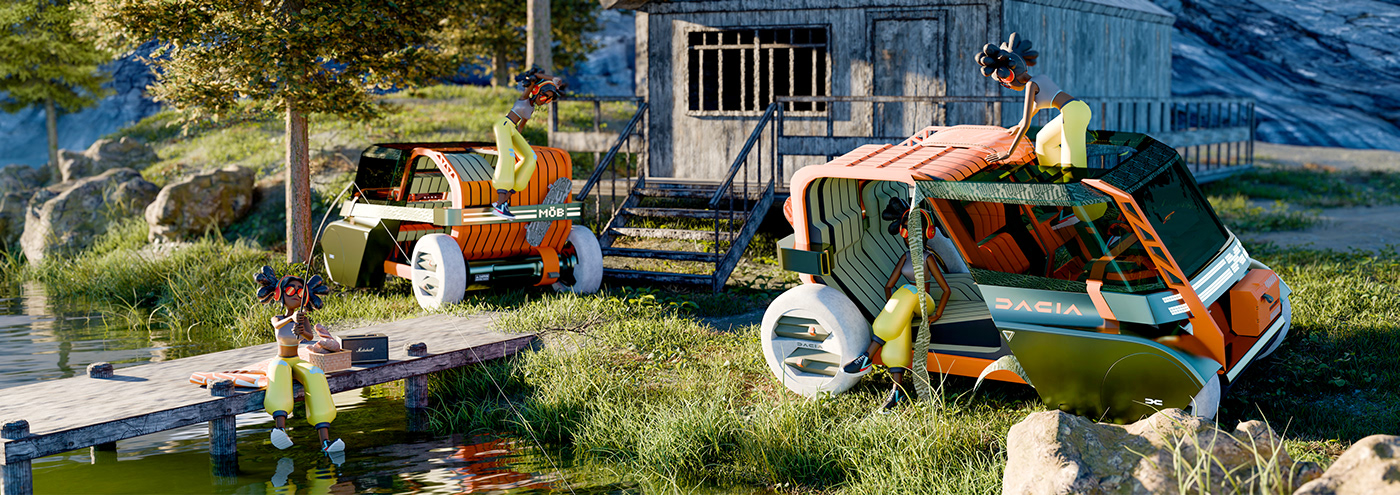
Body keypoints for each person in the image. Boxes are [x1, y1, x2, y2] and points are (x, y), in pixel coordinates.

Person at [842, 200, 961, 411]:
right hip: (907, 303)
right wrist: (895, 310)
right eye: (907, 233)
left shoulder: (928, 258)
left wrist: (937, 314)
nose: (911, 238)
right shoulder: (904, 257)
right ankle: (896, 391)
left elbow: (946, 290)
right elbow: (888, 285)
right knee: (901, 326)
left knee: (909, 291)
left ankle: (867, 356)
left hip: (925, 303)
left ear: (927, 234)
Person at [254, 266, 344, 454]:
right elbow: (277, 325)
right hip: (282, 358)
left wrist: (301, 329)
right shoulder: (277, 317)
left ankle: (325, 442)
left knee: (316, 374)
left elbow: (309, 338)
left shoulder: (303, 319)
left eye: (300, 291)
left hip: (296, 359)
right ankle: (279, 428)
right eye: (290, 290)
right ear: (280, 295)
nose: (296, 295)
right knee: (278, 370)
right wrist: (291, 319)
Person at [977, 33, 1092, 169]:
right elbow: (1033, 109)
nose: (1009, 88)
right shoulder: (1039, 79)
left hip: (1072, 112)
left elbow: (1027, 123)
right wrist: (1018, 126)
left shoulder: (1031, 85)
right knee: (1043, 141)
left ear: (1010, 78)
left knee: (1072, 164)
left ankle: (1072, 181)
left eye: (1005, 84)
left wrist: (1008, 153)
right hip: (1076, 109)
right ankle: (1055, 178)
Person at [491, 69, 567, 219]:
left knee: (530, 158)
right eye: (545, 96)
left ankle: (503, 202)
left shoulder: (531, 108)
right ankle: (500, 204)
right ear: (537, 92)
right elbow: (535, 80)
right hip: (504, 125)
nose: (545, 100)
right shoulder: (525, 98)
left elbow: (521, 126)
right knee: (508, 157)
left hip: (513, 129)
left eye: (549, 99)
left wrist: (519, 139)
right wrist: (547, 79)